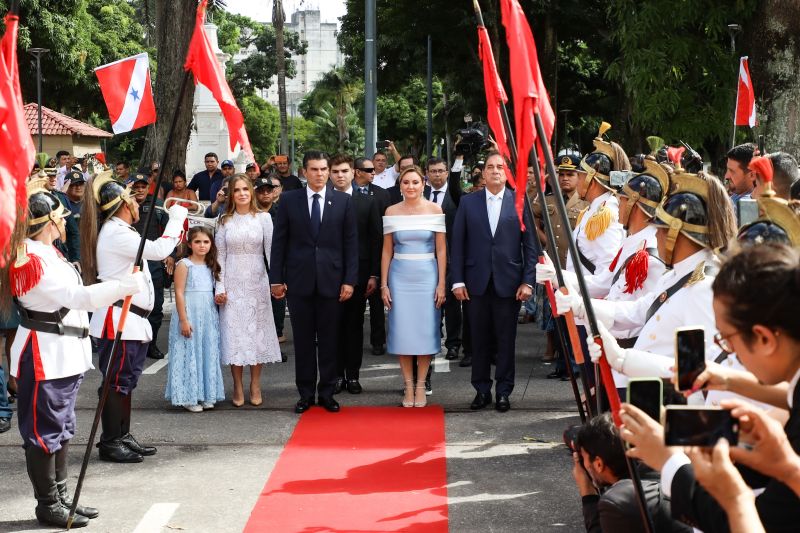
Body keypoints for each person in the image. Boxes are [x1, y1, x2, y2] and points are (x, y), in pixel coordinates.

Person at [2, 177, 145, 527]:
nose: (65, 220)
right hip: (44, 353)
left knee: (62, 428)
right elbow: (77, 298)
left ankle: (63, 496)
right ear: (49, 223)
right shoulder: (30, 259)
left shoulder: (47, 252)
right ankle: (48, 503)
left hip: (62, 351)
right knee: (44, 432)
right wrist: (120, 287)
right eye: (60, 217)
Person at [564, 153, 738, 408]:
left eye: (661, 229)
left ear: (677, 234)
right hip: (643, 389)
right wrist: (583, 307)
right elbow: (639, 309)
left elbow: (698, 373)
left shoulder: (701, 287)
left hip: (664, 402)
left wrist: (625, 360)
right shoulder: (679, 274)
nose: (655, 235)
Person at [80, 171, 187, 463]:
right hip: (120, 319)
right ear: (123, 205)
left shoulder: (120, 230)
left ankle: (121, 434)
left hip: (130, 320)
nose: (139, 204)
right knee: (117, 382)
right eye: (133, 200)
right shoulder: (116, 232)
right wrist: (177, 217)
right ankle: (111, 441)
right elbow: (158, 250)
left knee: (124, 382)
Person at [541, 156, 669, 394]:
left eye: (622, 198)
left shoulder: (643, 251)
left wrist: (576, 298)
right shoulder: (632, 241)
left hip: (622, 343)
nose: (617, 201)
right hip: (606, 330)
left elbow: (630, 308)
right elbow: (609, 283)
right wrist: (561, 279)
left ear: (634, 205)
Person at [270, 151, 359, 414]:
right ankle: (306, 393)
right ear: (304, 171)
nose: (319, 174)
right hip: (299, 282)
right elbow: (279, 243)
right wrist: (276, 279)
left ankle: (328, 392)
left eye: (323, 169)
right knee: (304, 341)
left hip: (333, 282)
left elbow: (350, 244)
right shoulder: (288, 200)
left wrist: (349, 281)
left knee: (331, 340)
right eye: (314, 169)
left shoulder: (343, 201)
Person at [451, 152, 537, 412]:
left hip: (508, 284)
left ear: (506, 172)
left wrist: (528, 282)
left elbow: (530, 247)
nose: (496, 171)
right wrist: (457, 281)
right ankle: (481, 389)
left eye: (500, 167)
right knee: (478, 340)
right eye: (490, 167)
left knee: (505, 340)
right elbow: (458, 244)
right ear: (483, 173)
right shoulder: (468, 203)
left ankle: (503, 391)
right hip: (475, 282)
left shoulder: (519, 203)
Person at [381, 166, 446, 407]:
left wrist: (441, 283)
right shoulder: (391, 211)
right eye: (406, 182)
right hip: (399, 276)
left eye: (415, 182)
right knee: (403, 332)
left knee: (425, 331)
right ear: (400, 186)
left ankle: (421, 386)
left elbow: (441, 250)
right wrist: (384, 285)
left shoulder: (435, 210)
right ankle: (408, 386)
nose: (410, 186)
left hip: (427, 275)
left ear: (423, 184)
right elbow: (387, 251)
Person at [214, 175, 282, 407]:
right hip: (232, 281)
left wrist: (277, 281)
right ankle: (237, 385)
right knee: (235, 334)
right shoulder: (224, 221)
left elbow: (272, 252)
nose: (242, 193)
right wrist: (220, 285)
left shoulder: (263, 218)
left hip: (257, 281)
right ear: (231, 194)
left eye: (246, 189)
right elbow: (219, 256)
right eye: (237, 190)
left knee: (256, 334)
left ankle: (255, 384)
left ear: (251, 192)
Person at [572, 414, 692, 533]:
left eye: (584, 457)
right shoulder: (664, 469)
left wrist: (587, 493)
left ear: (598, 464)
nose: (585, 464)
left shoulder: (619, 501)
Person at [530, 153, 588, 373]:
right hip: (555, 266)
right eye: (561, 174)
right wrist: (544, 241)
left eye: (570, 174)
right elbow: (530, 214)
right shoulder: (549, 199)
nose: (565, 179)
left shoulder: (586, 201)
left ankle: (575, 364)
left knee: (576, 317)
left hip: (576, 269)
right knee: (558, 319)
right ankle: (563, 364)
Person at [329, 154, 381, 394]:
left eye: (344, 171)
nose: (340, 176)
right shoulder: (323, 200)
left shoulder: (367, 201)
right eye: (336, 172)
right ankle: (336, 376)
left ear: (354, 173)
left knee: (354, 326)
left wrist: (373, 274)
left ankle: (353, 376)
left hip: (360, 275)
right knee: (333, 327)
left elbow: (374, 240)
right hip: (329, 274)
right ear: (330, 173)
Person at [166, 226, 225, 412]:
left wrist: (219, 298)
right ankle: (188, 396)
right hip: (189, 312)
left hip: (207, 314)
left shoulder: (211, 264)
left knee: (207, 350)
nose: (202, 245)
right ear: (190, 244)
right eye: (197, 242)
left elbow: (212, 290)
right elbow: (179, 292)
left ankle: (207, 394)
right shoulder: (184, 264)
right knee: (189, 351)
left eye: (206, 242)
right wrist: (184, 319)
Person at [130, 172, 174, 360]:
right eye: (136, 187)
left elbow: (171, 230)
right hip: (131, 263)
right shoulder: (123, 206)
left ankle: (152, 344)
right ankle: (134, 345)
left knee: (155, 307)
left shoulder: (157, 206)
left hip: (154, 261)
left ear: (148, 187)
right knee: (132, 307)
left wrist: (170, 255)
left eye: (143, 186)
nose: (139, 190)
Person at [354, 156, 391, 356]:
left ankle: (378, 342)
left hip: (377, 255)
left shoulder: (382, 195)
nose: (373, 173)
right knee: (355, 310)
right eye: (369, 170)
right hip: (355, 259)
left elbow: (385, 229)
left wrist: (377, 270)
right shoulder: (346, 194)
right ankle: (353, 342)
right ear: (358, 171)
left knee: (377, 306)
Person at [427, 157, 462, 362]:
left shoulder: (456, 195)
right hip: (425, 256)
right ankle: (431, 339)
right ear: (427, 173)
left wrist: (458, 159)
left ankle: (453, 344)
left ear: (447, 172)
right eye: (433, 171)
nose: (437, 174)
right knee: (429, 301)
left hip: (451, 256)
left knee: (450, 303)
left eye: (441, 171)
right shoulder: (421, 194)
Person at [254, 175, 287, 346]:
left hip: (277, 261)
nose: (265, 194)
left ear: (274, 192)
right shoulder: (250, 213)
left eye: (269, 190)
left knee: (278, 299)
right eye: (261, 191)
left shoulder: (282, 211)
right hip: (254, 261)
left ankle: (277, 332)